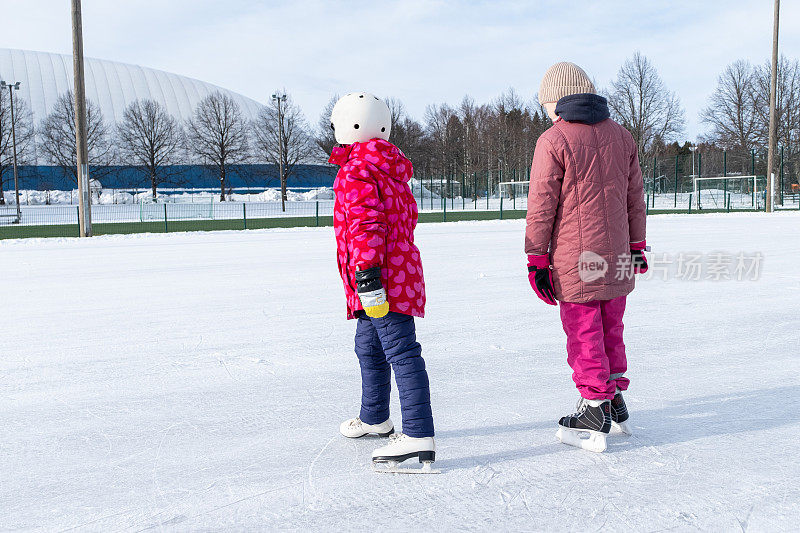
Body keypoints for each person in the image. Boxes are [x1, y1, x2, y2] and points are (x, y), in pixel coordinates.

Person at [525, 62, 648, 453]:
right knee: (611, 329)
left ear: (556, 100)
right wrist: (637, 247)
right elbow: (635, 200)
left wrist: (536, 257)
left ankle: (594, 405)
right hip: (617, 256)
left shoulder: (554, 138)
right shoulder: (623, 137)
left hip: (575, 259)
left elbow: (542, 204)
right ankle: (614, 396)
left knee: (584, 333)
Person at [328, 92, 436, 472]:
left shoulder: (356, 169)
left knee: (401, 351)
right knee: (368, 347)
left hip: (378, 277)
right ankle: (375, 417)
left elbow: (365, 226)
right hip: (397, 273)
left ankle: (418, 436)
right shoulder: (389, 167)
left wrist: (369, 277)